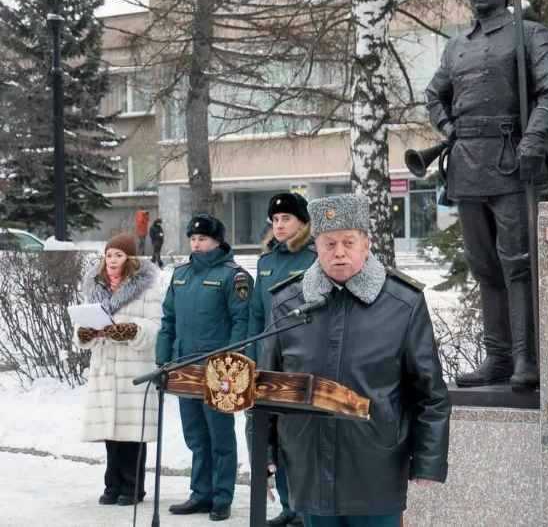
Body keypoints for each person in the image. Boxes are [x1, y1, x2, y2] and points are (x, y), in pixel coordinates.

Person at [260, 194, 450, 527]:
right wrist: (264, 454)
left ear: (367, 244)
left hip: (376, 467)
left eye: (349, 242)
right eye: (329, 243)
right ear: (315, 246)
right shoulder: (287, 302)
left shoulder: (402, 303)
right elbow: (267, 391)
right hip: (309, 466)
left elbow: (430, 392)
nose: (339, 252)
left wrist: (428, 460)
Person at [423, 0, 548, 389]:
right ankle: (498, 357)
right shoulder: (457, 47)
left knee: (518, 264)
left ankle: (528, 358)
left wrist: (535, 139)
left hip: (511, 160)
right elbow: (434, 94)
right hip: (467, 164)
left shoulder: (529, 34)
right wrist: (449, 128)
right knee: (484, 266)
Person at [155, 213, 251, 521]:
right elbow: (168, 319)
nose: (197, 244)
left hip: (219, 369)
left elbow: (242, 322)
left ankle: (222, 496)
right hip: (185, 366)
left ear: (218, 241)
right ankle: (201, 493)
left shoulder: (232, 276)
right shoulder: (180, 274)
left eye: (203, 239)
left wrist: (232, 362)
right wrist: (163, 358)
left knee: (219, 435)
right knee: (195, 434)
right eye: (193, 239)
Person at [73, 234, 163, 506]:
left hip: (132, 367)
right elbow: (80, 329)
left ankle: (133, 487)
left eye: (118, 255)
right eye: (109, 255)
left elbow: (156, 327)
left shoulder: (148, 289)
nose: (112, 260)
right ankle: (112, 485)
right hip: (105, 367)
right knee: (111, 433)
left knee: (132, 433)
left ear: (130, 259)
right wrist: (85, 333)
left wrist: (131, 329)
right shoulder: (95, 287)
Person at [247, 192, 316, 527]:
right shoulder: (266, 263)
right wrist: (249, 356)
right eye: (275, 220)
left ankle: (305, 509)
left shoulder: (315, 258)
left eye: (286, 219)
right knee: (272, 435)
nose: (279, 225)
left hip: (301, 358)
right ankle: (288, 506)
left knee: (297, 436)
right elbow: (255, 315)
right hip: (267, 358)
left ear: (302, 222)